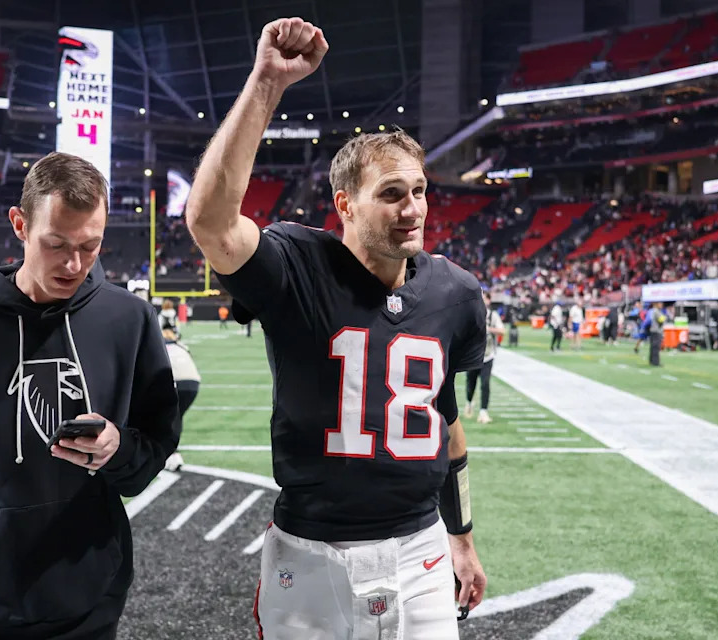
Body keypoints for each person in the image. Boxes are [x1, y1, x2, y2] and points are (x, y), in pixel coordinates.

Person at [187, 17, 487, 639]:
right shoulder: (299, 264)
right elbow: (211, 220)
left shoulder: (455, 292)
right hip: (312, 552)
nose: (413, 210)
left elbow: (445, 420)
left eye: (420, 191)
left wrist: (462, 538)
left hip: (421, 551)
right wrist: (267, 83)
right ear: (346, 204)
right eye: (392, 194)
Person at [0, 152, 180, 640]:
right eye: (56, 244)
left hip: (89, 597)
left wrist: (118, 449)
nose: (74, 263)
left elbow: (153, 447)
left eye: (91, 245)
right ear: (19, 225)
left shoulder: (130, 321)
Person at [464, 291, 505, 424]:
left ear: (488, 300)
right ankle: (469, 402)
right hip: (472, 355)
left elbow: (502, 330)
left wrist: (489, 329)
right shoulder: (470, 314)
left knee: (485, 383)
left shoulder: (493, 315)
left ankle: (483, 411)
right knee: (471, 384)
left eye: (484, 299)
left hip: (488, 355)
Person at [163, 329, 201, 472]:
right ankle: (172, 453)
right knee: (176, 418)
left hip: (175, 382)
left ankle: (171, 454)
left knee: (168, 419)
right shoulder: (181, 346)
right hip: (193, 384)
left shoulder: (158, 345)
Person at [645, 301, 666, 366]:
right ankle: (655, 362)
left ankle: (652, 361)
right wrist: (664, 317)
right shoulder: (656, 311)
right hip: (656, 331)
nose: (661, 305)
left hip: (653, 331)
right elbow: (661, 320)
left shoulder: (653, 311)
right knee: (656, 347)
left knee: (653, 347)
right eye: (660, 303)